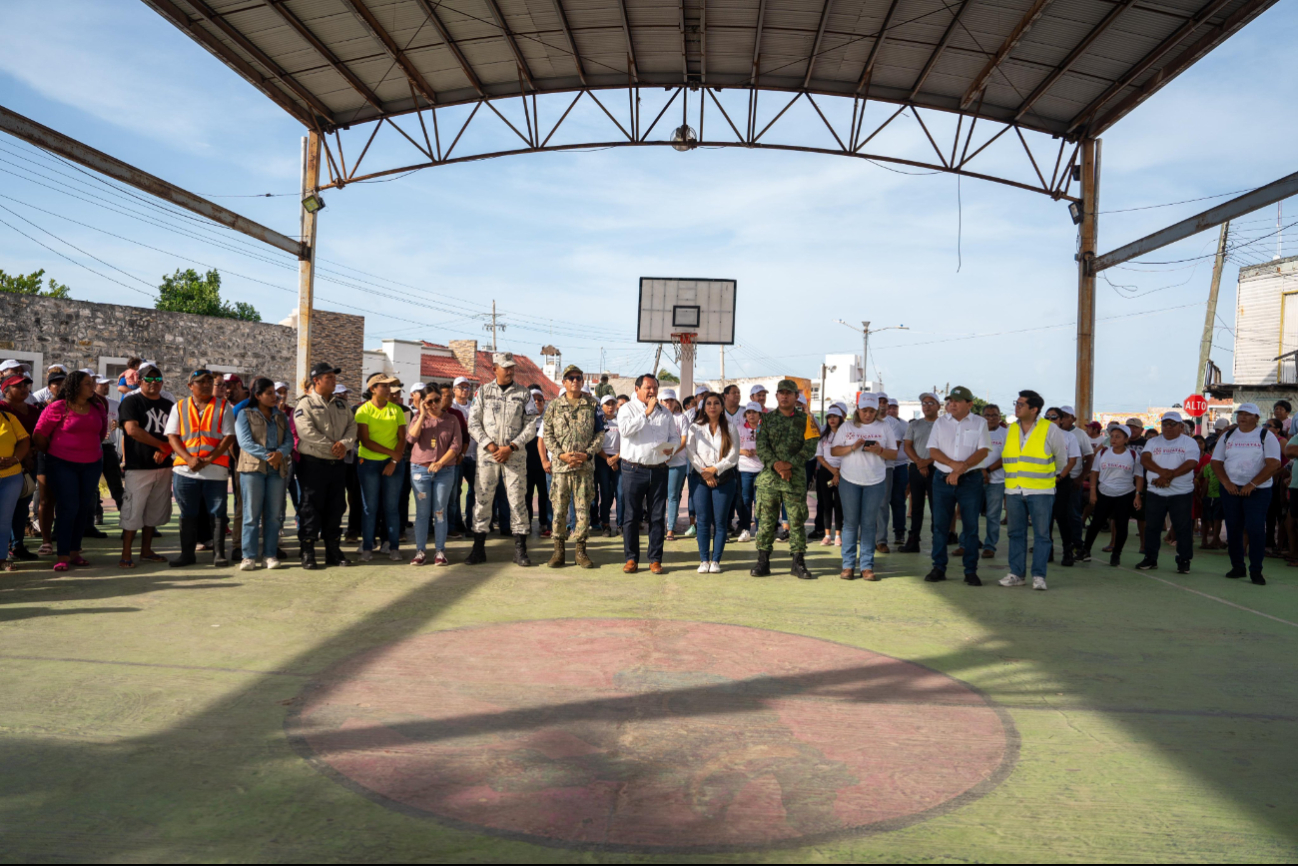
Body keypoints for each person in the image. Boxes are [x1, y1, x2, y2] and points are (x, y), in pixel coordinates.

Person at [466, 353, 539, 566]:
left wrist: (512, 446)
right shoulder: (483, 393)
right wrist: (490, 445)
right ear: (494, 369)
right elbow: (473, 423)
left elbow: (531, 425)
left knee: (517, 500)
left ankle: (520, 550)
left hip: (514, 456)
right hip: (488, 456)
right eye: (505, 367)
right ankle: (478, 548)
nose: (510, 370)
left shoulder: (524, 394)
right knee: (483, 499)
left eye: (511, 367)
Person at [33, 370, 108, 572]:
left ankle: (75, 552)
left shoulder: (97, 407)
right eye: (87, 383)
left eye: (92, 383)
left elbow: (101, 433)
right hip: (61, 464)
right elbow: (39, 435)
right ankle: (63, 555)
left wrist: (88, 452)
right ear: (74, 386)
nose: (92, 386)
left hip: (92, 464)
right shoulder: (58, 407)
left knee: (84, 507)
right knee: (68, 507)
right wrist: (53, 452)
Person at [998, 390, 1072, 591]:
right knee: (1015, 533)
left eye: (1021, 404)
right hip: (1014, 489)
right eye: (1017, 402)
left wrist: (1050, 478)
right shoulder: (1011, 429)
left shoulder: (1050, 429)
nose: (1017, 406)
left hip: (1041, 490)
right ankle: (1017, 573)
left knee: (1041, 535)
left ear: (1034, 409)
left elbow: (1061, 459)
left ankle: (1038, 576)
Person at [164, 370, 235, 568]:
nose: (206, 385)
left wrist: (209, 458)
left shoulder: (223, 407)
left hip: (215, 469)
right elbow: (172, 436)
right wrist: (188, 458)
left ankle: (219, 554)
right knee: (188, 512)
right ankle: (187, 554)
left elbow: (229, 436)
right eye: (201, 381)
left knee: (218, 512)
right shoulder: (179, 407)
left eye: (209, 381)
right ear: (190, 386)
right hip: (185, 470)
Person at [751, 379, 819, 579]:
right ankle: (763, 561)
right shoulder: (766, 419)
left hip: (794, 478)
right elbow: (761, 446)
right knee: (766, 521)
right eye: (781, 392)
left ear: (796, 397)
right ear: (777, 395)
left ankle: (798, 562)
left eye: (789, 393)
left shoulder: (806, 420)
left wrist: (789, 464)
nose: (785, 396)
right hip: (770, 479)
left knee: (797, 520)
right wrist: (777, 465)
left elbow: (810, 447)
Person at [294, 363, 358, 569]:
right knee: (310, 508)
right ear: (316, 380)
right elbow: (306, 432)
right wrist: (334, 447)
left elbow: (352, 427)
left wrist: (345, 445)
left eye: (334, 377)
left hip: (336, 466)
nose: (333, 380)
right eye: (328, 377)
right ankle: (308, 551)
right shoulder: (305, 404)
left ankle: (333, 551)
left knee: (336, 508)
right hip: (313, 465)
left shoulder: (342, 405)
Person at [926, 387, 991, 585]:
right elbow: (933, 451)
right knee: (940, 526)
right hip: (942, 479)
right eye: (950, 400)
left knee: (970, 527)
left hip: (970, 480)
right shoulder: (940, 422)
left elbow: (983, 451)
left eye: (957, 401)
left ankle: (970, 570)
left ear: (969, 404)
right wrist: (954, 466)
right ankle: (938, 567)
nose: (952, 404)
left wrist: (960, 470)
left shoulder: (980, 423)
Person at [539, 365, 603, 568]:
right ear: (564, 382)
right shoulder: (554, 406)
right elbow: (546, 434)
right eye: (570, 378)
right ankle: (558, 551)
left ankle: (581, 552)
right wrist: (560, 455)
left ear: (583, 382)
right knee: (559, 510)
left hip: (584, 467)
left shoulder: (593, 405)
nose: (575, 380)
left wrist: (588, 454)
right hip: (561, 468)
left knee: (583, 510)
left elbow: (600, 433)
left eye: (578, 378)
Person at [1213, 403, 1280, 585]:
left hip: (1258, 490)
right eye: (1239, 414)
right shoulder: (1227, 435)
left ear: (1257, 418)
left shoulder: (1266, 436)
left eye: (1247, 414)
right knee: (1233, 528)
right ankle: (1238, 566)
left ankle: (1256, 570)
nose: (1242, 417)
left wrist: (1253, 484)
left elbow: (1274, 464)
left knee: (1255, 528)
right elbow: (1216, 462)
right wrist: (1226, 482)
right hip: (1231, 489)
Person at [616, 374, 677, 574]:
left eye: (655, 388)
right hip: (633, 470)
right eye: (648, 388)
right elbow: (624, 431)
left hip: (659, 470)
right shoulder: (627, 409)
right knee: (631, 516)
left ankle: (655, 559)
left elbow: (674, 437)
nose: (652, 391)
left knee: (657, 517)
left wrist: (672, 449)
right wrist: (646, 413)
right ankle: (631, 558)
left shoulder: (665, 413)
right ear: (637, 389)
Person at [832, 393, 895, 581]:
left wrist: (879, 450)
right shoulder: (847, 427)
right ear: (857, 409)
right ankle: (848, 565)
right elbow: (834, 450)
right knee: (850, 523)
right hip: (850, 480)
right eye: (864, 410)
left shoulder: (885, 427)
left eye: (871, 411)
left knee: (869, 524)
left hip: (875, 481)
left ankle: (867, 566)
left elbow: (894, 454)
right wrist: (852, 447)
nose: (867, 414)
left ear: (877, 411)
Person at [117, 364, 174, 567]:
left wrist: (165, 449)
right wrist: (161, 445)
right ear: (139, 381)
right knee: (133, 512)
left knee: (153, 511)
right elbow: (132, 430)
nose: (153, 383)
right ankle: (125, 554)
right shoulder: (131, 402)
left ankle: (146, 550)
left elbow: (175, 432)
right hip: (138, 465)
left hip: (164, 466)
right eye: (148, 380)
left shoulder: (169, 405)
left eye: (157, 380)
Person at [233, 378, 292, 570]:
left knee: (274, 515)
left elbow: (289, 441)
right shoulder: (245, 414)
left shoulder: (281, 416)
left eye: (274, 392)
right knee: (251, 514)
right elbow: (245, 442)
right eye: (269, 393)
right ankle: (248, 556)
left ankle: (269, 554)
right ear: (257, 396)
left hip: (276, 470)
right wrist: (270, 456)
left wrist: (280, 454)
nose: (274, 396)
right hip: (252, 469)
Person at [1135, 411, 1200, 574]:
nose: (1168, 427)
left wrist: (1168, 476)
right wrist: (1164, 473)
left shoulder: (1189, 442)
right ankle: (1150, 558)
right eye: (1165, 424)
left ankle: (1184, 560)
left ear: (1180, 426)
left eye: (1172, 424)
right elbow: (1145, 459)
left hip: (1181, 493)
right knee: (1152, 527)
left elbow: (1191, 463)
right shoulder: (1153, 442)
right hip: (1156, 491)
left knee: (1182, 528)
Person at [407, 382, 462, 566]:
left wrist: (440, 463)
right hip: (420, 472)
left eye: (437, 400)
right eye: (429, 402)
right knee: (422, 513)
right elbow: (411, 438)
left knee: (439, 512)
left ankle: (440, 551)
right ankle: (420, 551)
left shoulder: (452, 419)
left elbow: (456, 446)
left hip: (444, 471)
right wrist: (422, 415)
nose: (434, 405)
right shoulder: (417, 417)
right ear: (423, 402)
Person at [355, 373, 408, 562]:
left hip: (393, 465)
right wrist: (392, 454)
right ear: (372, 389)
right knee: (370, 508)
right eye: (383, 386)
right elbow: (365, 440)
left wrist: (394, 460)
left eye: (389, 386)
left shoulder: (396, 410)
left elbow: (402, 438)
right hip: (368, 463)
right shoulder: (363, 411)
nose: (388, 389)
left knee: (392, 508)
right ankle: (368, 547)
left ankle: (394, 547)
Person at [686, 391, 740, 572]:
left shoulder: (730, 428)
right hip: (700, 479)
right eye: (708, 403)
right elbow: (691, 452)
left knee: (720, 521)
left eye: (716, 403)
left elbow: (733, 455)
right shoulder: (695, 427)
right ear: (703, 407)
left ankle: (715, 560)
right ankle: (704, 560)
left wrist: (714, 470)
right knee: (702, 520)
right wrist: (705, 472)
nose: (712, 406)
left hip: (724, 479)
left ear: (722, 406)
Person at [1080, 423, 1142, 566]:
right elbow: (1094, 473)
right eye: (1112, 436)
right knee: (1095, 523)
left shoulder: (1133, 455)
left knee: (1121, 525)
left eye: (1118, 437)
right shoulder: (1103, 453)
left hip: (1125, 494)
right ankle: (1085, 550)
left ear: (1126, 440)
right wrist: (1093, 492)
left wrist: (1138, 495)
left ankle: (1116, 554)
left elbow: (1139, 476)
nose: (1114, 439)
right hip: (1104, 493)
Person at [0, 372, 39, 562]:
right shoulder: (2, 408)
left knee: (22, 505)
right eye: (18, 386)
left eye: (26, 385)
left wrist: (29, 454)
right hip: (13, 464)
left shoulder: (34, 411)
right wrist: (20, 458)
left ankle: (17, 545)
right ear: (5, 391)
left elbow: (38, 435)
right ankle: (5, 548)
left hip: (28, 462)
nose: (24, 389)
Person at [1043, 407, 1082, 566]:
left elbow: (1072, 460)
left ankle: (1068, 551)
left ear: (1061, 420)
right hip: (1042, 480)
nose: (1051, 420)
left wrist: (1060, 476)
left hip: (1061, 480)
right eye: (1048, 417)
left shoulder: (1069, 437)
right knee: (1045, 518)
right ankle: (1048, 550)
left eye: (1054, 417)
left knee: (1062, 516)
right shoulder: (1039, 436)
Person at [901, 392, 940, 552]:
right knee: (916, 506)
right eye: (924, 403)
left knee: (936, 506)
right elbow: (907, 445)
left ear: (938, 406)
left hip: (937, 468)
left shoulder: (944, 424)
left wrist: (927, 462)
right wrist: (919, 462)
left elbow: (945, 448)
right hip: (917, 468)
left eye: (931, 403)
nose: (927, 406)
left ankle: (938, 540)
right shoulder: (914, 425)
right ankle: (913, 540)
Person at [1057, 405, 1094, 558]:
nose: (1063, 419)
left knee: (1073, 514)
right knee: (1052, 514)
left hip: (1072, 480)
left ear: (1073, 419)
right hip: (1054, 480)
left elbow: (1090, 457)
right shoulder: (1051, 433)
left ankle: (1077, 544)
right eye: (1061, 416)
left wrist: (1081, 477)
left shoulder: (1079, 435)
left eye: (1067, 416)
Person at [90, 376, 122, 535]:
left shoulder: (115, 404)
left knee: (115, 482)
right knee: (92, 485)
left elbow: (124, 421)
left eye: (107, 385)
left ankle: (125, 516)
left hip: (109, 447)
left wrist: (119, 424)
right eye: (102, 385)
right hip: (94, 446)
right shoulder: (90, 403)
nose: (105, 387)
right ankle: (96, 513)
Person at [448, 376, 476, 537]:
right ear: (454, 390)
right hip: (456, 456)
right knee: (455, 491)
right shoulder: (451, 408)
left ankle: (471, 522)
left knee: (475, 490)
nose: (464, 390)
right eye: (461, 387)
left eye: (467, 387)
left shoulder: (474, 407)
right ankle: (456, 523)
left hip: (473, 454)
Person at [814, 403, 844, 547]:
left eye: (835, 416)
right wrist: (832, 471)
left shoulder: (846, 433)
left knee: (839, 504)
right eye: (829, 417)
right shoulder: (823, 433)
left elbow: (849, 454)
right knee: (826, 504)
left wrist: (838, 473)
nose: (832, 419)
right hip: (826, 472)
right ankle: (827, 535)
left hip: (843, 471)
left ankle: (838, 535)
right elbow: (819, 455)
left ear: (840, 418)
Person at [662, 388, 689, 542]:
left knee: (672, 496)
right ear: (661, 402)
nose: (669, 403)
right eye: (666, 400)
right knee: (659, 497)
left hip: (677, 462)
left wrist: (671, 454)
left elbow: (683, 441)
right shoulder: (656, 417)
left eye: (671, 400)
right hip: (659, 463)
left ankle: (670, 528)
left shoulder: (681, 418)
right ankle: (659, 525)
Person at [980, 404, 1007, 560]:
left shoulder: (1006, 433)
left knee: (992, 515)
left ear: (999, 417)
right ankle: (966, 544)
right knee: (969, 514)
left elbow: (1006, 458)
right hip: (975, 479)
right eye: (987, 415)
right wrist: (979, 471)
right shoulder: (976, 432)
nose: (990, 418)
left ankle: (989, 546)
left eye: (994, 415)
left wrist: (987, 470)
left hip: (996, 481)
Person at [524, 388, 551, 538]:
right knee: (527, 495)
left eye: (540, 399)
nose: (536, 402)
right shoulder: (524, 418)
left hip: (543, 464)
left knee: (544, 495)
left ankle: (543, 523)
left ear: (544, 402)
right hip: (526, 464)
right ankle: (526, 522)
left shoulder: (549, 418)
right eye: (533, 399)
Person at [738, 401, 766, 543]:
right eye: (749, 412)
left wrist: (759, 451)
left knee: (759, 501)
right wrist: (743, 451)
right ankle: (745, 529)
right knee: (746, 500)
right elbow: (731, 447)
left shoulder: (765, 430)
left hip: (761, 470)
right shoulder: (739, 429)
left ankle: (760, 530)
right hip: (744, 469)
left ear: (760, 414)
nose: (751, 415)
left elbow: (771, 448)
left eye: (754, 412)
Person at [884, 398, 910, 545]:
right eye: (890, 407)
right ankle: (879, 534)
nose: (892, 410)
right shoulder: (880, 423)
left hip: (900, 466)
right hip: (882, 467)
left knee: (898, 500)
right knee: (881, 502)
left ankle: (899, 532)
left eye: (895, 408)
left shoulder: (904, 425)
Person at [595, 394, 621, 535]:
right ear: (602, 406)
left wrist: (616, 458)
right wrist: (608, 460)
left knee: (621, 493)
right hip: (602, 459)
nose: (610, 406)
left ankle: (621, 524)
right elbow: (596, 444)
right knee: (606, 492)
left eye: (613, 403)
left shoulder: (620, 421)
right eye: (607, 404)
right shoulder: (598, 421)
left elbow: (627, 442)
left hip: (619, 458)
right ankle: (605, 523)